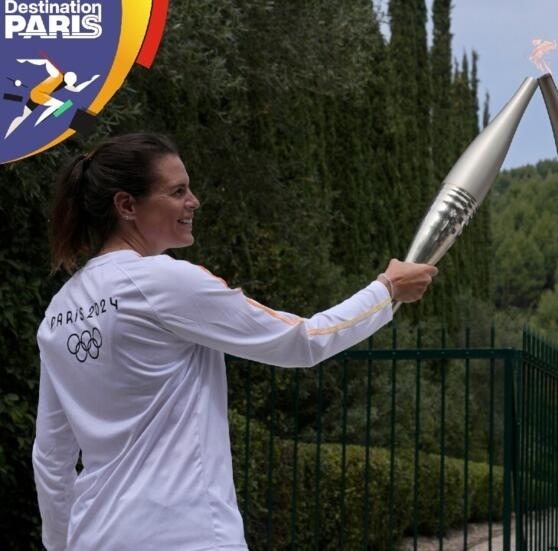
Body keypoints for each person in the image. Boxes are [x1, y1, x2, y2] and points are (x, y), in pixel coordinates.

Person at [32, 133, 438, 550]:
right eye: (177, 191)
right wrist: (387, 290)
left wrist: (62, 545)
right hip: (187, 536)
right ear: (127, 205)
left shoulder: (58, 312)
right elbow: (303, 340)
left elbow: (51, 457)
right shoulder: (163, 281)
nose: (194, 202)